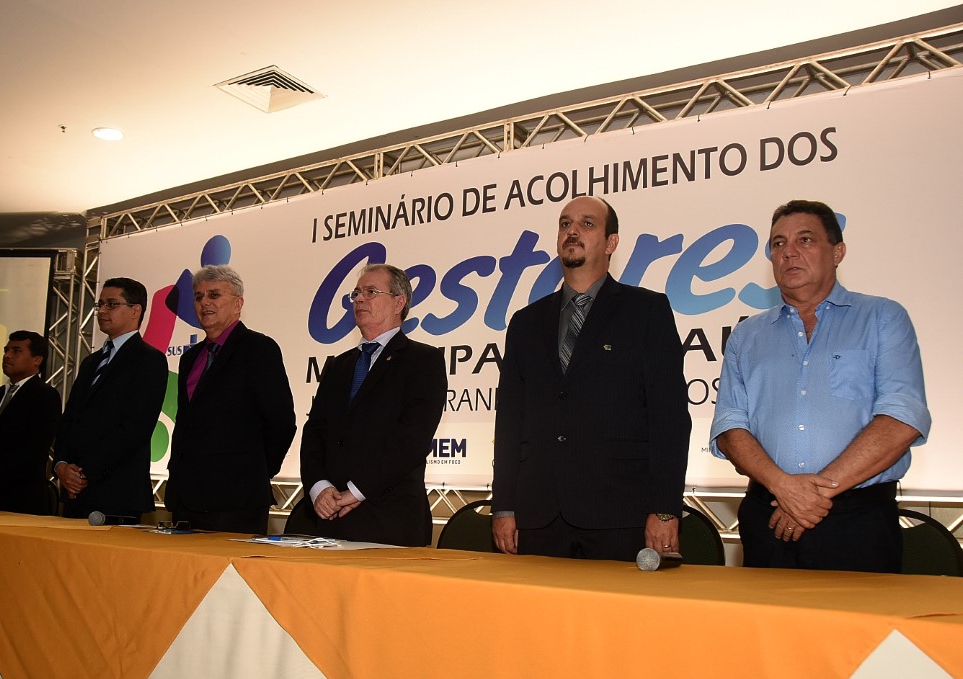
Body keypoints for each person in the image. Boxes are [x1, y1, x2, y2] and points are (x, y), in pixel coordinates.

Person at [710, 200, 931, 573]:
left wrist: (812, 495)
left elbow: (901, 418)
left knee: (859, 631)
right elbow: (730, 428)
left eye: (805, 239)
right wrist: (784, 488)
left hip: (858, 521)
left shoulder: (882, 317)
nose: (788, 252)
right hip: (768, 519)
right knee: (768, 631)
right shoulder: (747, 335)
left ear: (838, 252)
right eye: (777, 244)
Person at [492, 196, 690, 561]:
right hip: (538, 519)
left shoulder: (647, 311)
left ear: (611, 242)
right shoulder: (525, 322)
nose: (572, 231)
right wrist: (504, 506)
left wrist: (664, 509)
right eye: (565, 223)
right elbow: (508, 423)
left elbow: (670, 419)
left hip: (620, 516)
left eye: (586, 224)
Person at [297, 263, 447, 547]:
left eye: (370, 291)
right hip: (330, 521)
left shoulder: (422, 361)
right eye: (356, 294)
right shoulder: (339, 365)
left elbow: (411, 440)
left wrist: (355, 491)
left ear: (398, 303)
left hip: (390, 523)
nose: (359, 299)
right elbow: (315, 430)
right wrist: (319, 488)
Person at [165, 266, 296, 534]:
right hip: (185, 501)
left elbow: (281, 421)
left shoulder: (259, 349)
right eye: (199, 296)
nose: (205, 303)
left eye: (214, 295)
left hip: (236, 502)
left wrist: (255, 471)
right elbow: (186, 425)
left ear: (238, 304)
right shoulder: (190, 358)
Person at [54, 277, 168, 521]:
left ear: (135, 310)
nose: (102, 311)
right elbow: (70, 419)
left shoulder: (149, 360)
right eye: (100, 304)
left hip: (116, 493)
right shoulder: (91, 362)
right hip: (74, 492)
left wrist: (85, 474)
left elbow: (135, 429)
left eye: (112, 304)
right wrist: (62, 465)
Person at [0, 331, 62, 514]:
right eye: (6, 350)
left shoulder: (45, 396)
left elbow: (33, 450)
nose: (7, 355)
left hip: (22, 501)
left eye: (16, 351)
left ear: (37, 359)